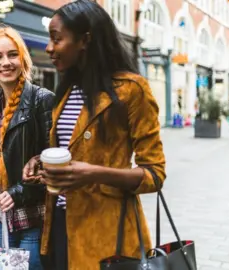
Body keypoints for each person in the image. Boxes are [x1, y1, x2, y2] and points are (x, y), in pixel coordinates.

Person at [22, 1, 167, 269]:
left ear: (85, 40)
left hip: (107, 232)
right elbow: (72, 151)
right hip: (59, 225)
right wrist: (39, 160)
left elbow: (155, 174)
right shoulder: (66, 91)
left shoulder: (132, 90)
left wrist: (93, 173)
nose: (49, 47)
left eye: (57, 39)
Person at [0, 25, 55, 269]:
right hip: (3, 218)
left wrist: (17, 193)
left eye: (12, 54)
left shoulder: (42, 100)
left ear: (23, 58)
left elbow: (52, 162)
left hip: (35, 217)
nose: (5, 62)